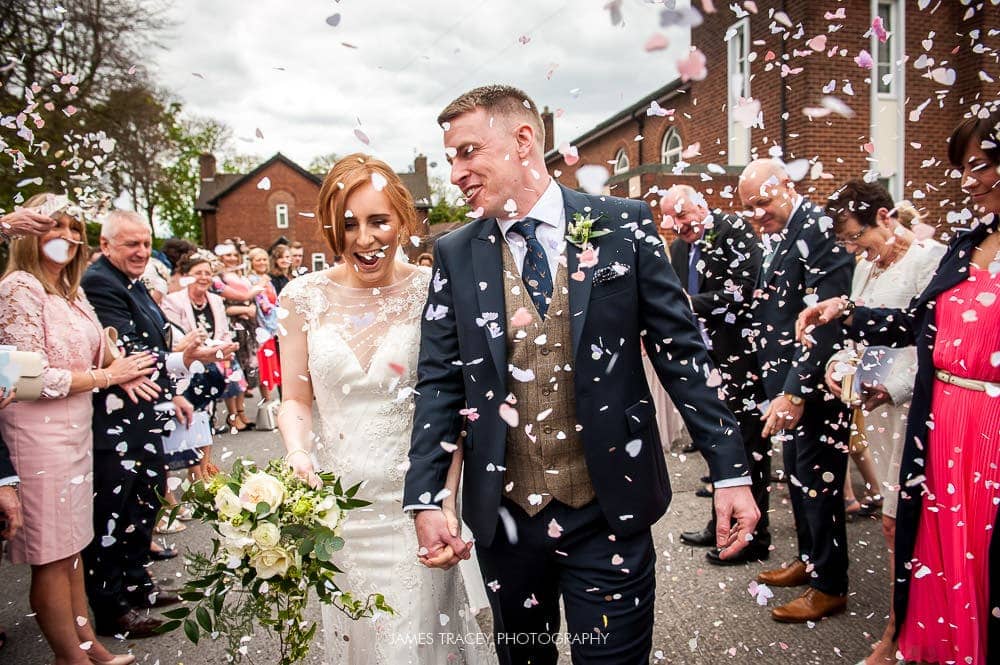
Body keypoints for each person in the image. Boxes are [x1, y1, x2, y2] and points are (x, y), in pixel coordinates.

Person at [404, 84, 759, 665]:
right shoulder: (455, 252)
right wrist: (426, 496)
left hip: (608, 512)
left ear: (523, 140)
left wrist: (730, 472)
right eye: (449, 159)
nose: (456, 173)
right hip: (505, 520)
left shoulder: (624, 224)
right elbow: (440, 381)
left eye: (468, 152)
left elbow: (682, 354)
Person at [797, 105, 1000, 665]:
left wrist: (893, 382)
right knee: (933, 540)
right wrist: (840, 313)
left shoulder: (932, 253)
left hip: (979, 420)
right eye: (962, 167)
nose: (967, 180)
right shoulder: (967, 246)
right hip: (940, 418)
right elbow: (914, 322)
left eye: (979, 165)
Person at [279, 153, 491, 664]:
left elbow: (447, 406)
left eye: (378, 221)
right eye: (348, 224)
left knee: (420, 645)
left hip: (412, 504)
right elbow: (294, 398)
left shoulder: (431, 290)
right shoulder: (301, 297)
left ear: (402, 219)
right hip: (339, 510)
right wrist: (298, 453)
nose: (364, 238)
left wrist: (443, 498)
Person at [0, 194, 159, 665]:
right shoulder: (19, 288)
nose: (68, 238)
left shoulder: (71, 293)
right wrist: (108, 377)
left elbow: (100, 347)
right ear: (29, 234)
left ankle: (91, 647)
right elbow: (27, 380)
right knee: (51, 555)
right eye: (55, 227)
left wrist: (121, 361)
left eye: (75, 229)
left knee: (73, 548)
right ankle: (70, 657)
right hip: (36, 434)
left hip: (75, 432)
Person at [81, 210, 236, 638]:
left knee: (145, 501)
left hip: (146, 412)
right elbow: (130, 354)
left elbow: (159, 340)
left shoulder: (136, 284)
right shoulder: (99, 283)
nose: (141, 252)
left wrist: (185, 363)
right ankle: (112, 607)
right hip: (114, 421)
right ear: (106, 244)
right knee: (112, 513)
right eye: (131, 244)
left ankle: (138, 584)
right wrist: (178, 360)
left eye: (146, 244)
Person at [820, 178, 945, 664]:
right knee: (894, 525)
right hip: (877, 410)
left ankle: (900, 633)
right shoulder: (866, 266)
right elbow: (860, 335)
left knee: (902, 523)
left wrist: (890, 388)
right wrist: (841, 369)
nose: (853, 248)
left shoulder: (927, 261)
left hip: (915, 410)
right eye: (846, 242)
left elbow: (926, 340)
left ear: (885, 217)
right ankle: (905, 626)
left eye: (857, 236)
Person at [740, 158, 855, 622]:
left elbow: (825, 318)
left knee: (819, 481)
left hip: (816, 387)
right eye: (750, 207)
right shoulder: (782, 233)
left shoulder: (820, 227)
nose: (757, 213)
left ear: (787, 184)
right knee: (800, 478)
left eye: (763, 201)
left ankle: (830, 584)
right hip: (786, 381)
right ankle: (810, 561)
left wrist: (795, 390)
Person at [662, 184, 771, 565]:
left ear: (702, 205)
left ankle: (754, 537)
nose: (679, 225)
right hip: (703, 359)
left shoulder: (734, 231)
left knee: (748, 447)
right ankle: (720, 523)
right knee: (717, 440)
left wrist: (690, 303)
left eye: (683, 214)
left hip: (740, 357)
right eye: (672, 219)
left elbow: (744, 290)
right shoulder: (677, 248)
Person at [161, 253, 235, 479]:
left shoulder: (216, 301)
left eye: (208, 273)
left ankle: (205, 468)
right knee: (189, 419)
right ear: (186, 277)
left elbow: (223, 331)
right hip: (184, 367)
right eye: (198, 273)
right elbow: (174, 338)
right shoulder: (173, 301)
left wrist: (221, 348)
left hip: (211, 366)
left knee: (207, 416)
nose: (204, 277)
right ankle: (195, 475)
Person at [215, 242, 258, 431]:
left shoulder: (241, 275)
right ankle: (232, 415)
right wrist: (246, 308)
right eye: (227, 255)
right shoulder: (218, 279)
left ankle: (241, 412)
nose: (232, 258)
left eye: (234, 255)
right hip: (230, 327)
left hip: (247, 327)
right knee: (233, 371)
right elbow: (224, 307)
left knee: (245, 368)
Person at [247, 247, 281, 403]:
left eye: (264, 259)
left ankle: (271, 401)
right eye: (258, 260)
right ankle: (267, 400)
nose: (261, 262)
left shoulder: (267, 279)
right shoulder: (253, 280)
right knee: (263, 363)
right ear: (251, 262)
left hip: (272, 326)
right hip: (261, 326)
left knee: (271, 362)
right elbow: (264, 305)